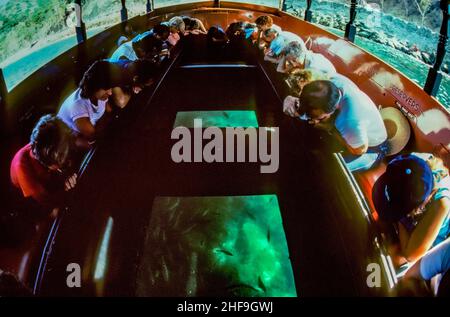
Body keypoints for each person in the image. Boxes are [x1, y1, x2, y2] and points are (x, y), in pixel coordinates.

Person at [372, 153, 450, 265]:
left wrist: (398, 217)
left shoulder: (442, 204)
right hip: (407, 214)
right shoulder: (412, 162)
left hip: (428, 238)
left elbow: (410, 255)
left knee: (394, 259)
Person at [298, 77, 388, 172]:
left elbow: (360, 150)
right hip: (353, 131)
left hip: (372, 149)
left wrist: (330, 129)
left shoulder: (348, 119)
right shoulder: (334, 83)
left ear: (332, 110)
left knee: (330, 170)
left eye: (316, 117)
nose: (312, 119)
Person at [10, 114, 77, 210]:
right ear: (48, 165)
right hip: (28, 195)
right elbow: (45, 200)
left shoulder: (53, 144)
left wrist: (69, 174)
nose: (65, 164)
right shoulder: (22, 167)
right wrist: (64, 190)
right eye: (60, 165)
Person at [58, 60, 114, 143]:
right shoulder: (77, 106)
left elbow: (109, 112)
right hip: (70, 140)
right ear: (93, 86)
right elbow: (92, 136)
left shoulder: (100, 94)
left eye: (110, 88)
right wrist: (104, 121)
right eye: (106, 89)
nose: (110, 93)